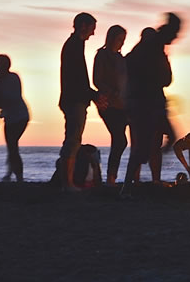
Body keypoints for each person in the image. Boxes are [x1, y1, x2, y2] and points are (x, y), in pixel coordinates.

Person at [124, 13, 181, 183]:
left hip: (151, 102)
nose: (177, 37)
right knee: (144, 147)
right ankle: (128, 184)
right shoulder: (151, 47)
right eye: (175, 33)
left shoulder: (153, 49)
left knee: (163, 139)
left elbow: (166, 79)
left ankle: (134, 181)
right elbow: (164, 78)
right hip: (146, 104)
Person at [59, 12, 105, 191]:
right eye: (92, 29)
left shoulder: (75, 45)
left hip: (74, 98)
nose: (93, 34)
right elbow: (77, 78)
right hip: (74, 100)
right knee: (72, 140)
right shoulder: (73, 46)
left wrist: (91, 95)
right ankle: (67, 184)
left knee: (73, 139)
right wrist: (93, 95)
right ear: (83, 26)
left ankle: (67, 183)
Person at [93, 25, 129, 185]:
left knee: (120, 140)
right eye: (119, 39)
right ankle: (111, 178)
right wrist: (111, 92)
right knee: (120, 139)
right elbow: (97, 79)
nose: (121, 43)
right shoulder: (102, 55)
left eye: (123, 40)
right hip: (108, 104)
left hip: (123, 104)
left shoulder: (121, 59)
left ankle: (113, 177)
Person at [0, 53, 30, 182]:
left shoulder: (12, 78)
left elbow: (13, 97)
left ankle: (18, 177)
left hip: (19, 116)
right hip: (10, 116)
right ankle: (11, 173)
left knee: (12, 145)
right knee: (12, 146)